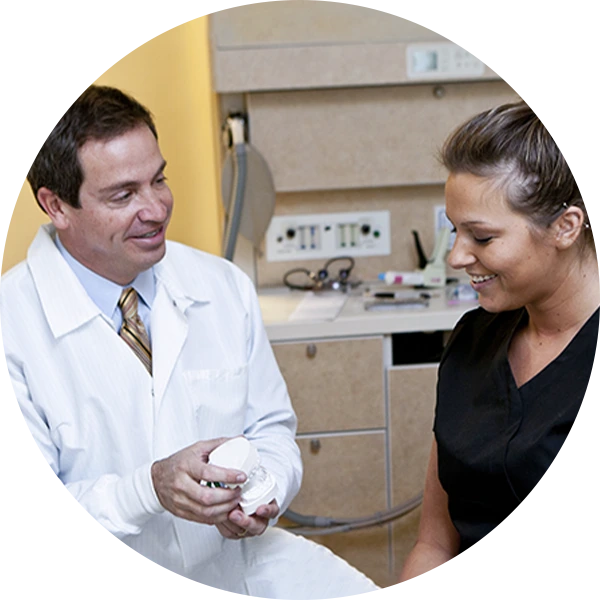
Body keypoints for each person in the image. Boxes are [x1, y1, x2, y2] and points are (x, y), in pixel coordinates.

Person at [0, 85, 380, 599]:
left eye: (159, 179)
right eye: (123, 195)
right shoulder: (12, 326)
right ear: (56, 205)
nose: (155, 209)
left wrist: (263, 492)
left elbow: (270, 429)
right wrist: (149, 488)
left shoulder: (220, 287)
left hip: (229, 568)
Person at [399, 100, 599, 583]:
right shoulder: (474, 340)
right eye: (453, 231)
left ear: (565, 228)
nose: (456, 257)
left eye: (482, 238)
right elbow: (435, 542)